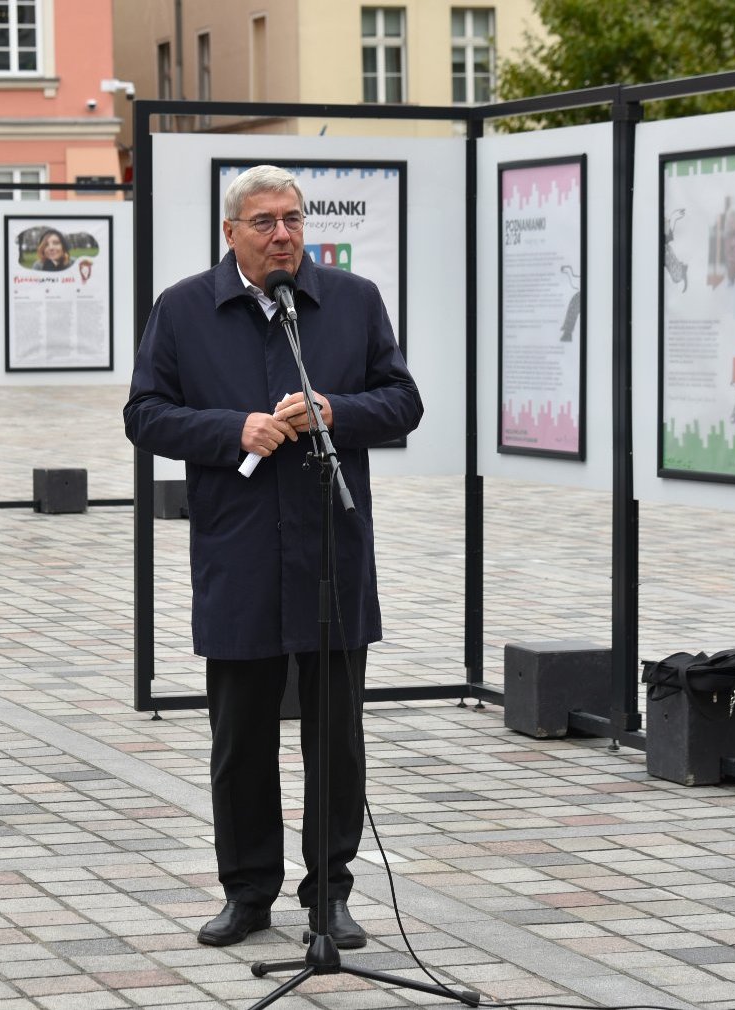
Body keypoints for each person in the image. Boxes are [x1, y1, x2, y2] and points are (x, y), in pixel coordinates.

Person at [123, 165, 423, 948]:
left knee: (337, 736)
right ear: (231, 233)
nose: (283, 234)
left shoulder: (350, 301)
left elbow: (403, 400)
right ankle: (247, 892)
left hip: (330, 550)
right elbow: (145, 414)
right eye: (264, 222)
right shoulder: (185, 308)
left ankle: (330, 892)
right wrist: (234, 431)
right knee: (242, 736)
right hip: (241, 552)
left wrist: (335, 410)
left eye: (293, 219)